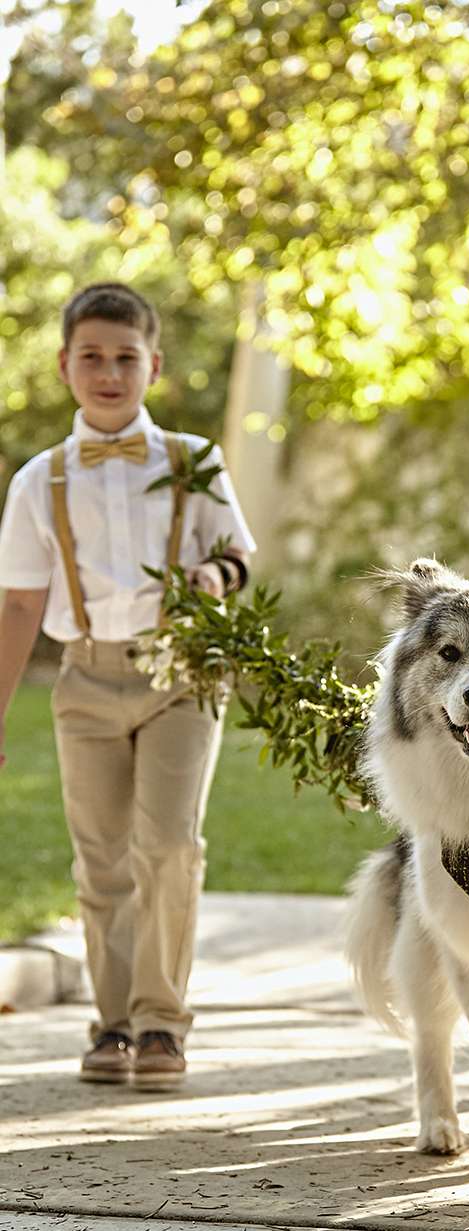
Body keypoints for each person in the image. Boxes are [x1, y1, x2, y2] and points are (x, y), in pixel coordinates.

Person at [0, 281, 256, 1090]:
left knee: (169, 846)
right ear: (65, 366)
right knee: (102, 856)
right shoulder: (40, 480)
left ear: (154, 364)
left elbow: (240, 558)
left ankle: (160, 1024)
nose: (109, 372)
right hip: (86, 680)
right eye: (92, 357)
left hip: (181, 675)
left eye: (125, 357)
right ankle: (111, 1024)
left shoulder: (195, 463)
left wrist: (215, 577)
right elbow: (17, 602)